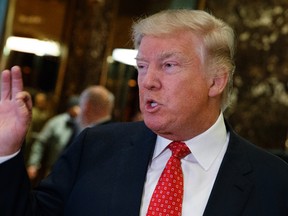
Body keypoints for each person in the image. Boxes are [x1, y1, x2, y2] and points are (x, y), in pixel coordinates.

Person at [0, 9, 288, 216]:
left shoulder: (274, 182)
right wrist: (6, 152)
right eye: (141, 66)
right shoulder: (94, 148)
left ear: (216, 81)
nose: (148, 81)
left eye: (168, 65)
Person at [26, 95, 80, 183]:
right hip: (53, 168)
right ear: (71, 108)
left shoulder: (83, 125)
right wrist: (33, 164)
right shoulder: (56, 122)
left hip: (73, 172)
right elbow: (40, 142)